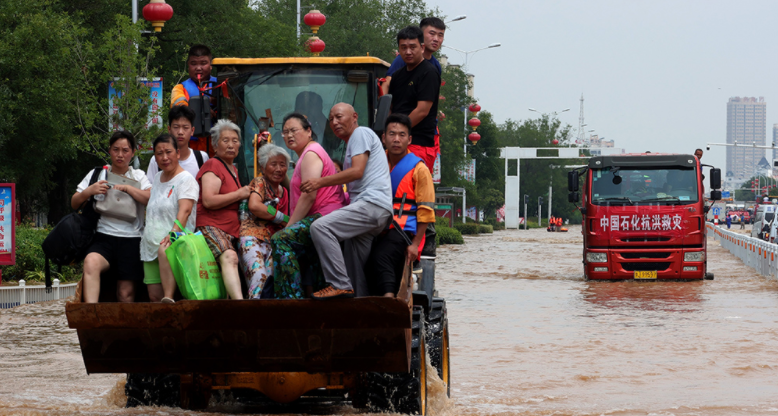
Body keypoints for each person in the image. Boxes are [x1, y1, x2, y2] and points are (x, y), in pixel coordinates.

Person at [300, 103, 393, 299]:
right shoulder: (352, 142)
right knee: (353, 265)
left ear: (354, 117)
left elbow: (356, 171)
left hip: (371, 205)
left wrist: (318, 182)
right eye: (331, 119)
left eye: (339, 117)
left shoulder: (360, 134)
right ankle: (359, 307)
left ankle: (338, 284)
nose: (334, 122)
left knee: (320, 228)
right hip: (376, 211)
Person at [270, 113, 347, 299]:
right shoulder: (306, 155)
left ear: (309, 131)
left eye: (294, 130)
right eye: (285, 132)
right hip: (318, 218)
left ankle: (290, 300)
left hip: (324, 215)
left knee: (281, 239)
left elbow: (309, 195)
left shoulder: (311, 154)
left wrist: (289, 227)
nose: (289, 135)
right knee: (315, 260)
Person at [71, 131, 152, 303]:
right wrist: (90, 191)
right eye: (116, 149)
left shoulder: (139, 176)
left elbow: (149, 199)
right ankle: (91, 316)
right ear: (109, 151)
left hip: (132, 239)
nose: (120, 155)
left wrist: (129, 189)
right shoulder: (98, 173)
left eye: (125, 150)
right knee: (91, 262)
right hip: (103, 237)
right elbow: (74, 202)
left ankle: (124, 328)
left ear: (133, 152)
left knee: (125, 294)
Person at [366, 114, 435, 297]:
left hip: (403, 230)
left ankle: (389, 300)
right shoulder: (374, 163)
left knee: (381, 257)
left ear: (409, 139)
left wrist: (415, 245)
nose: (396, 139)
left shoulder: (419, 169)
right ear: (383, 137)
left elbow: (426, 211)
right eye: (392, 134)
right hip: (375, 225)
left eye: (402, 135)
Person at [195, 119, 251, 300]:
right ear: (215, 145)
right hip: (212, 225)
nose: (231, 145)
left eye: (235, 141)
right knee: (229, 257)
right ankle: (240, 306)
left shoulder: (233, 169)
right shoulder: (213, 164)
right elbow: (209, 201)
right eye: (225, 140)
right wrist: (240, 194)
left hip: (231, 230)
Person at [140, 134, 199, 303]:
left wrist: (172, 234)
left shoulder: (186, 179)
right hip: (151, 246)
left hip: (174, 243)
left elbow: (185, 211)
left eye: (168, 152)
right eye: (159, 153)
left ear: (178, 153)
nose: (164, 157)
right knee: (154, 297)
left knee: (172, 299)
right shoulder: (157, 178)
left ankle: (169, 298)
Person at [239, 143, 290, 299]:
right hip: (252, 238)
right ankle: (254, 319)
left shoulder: (285, 191)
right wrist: (282, 218)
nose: (278, 169)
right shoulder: (260, 182)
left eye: (282, 165)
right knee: (259, 278)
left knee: (270, 283)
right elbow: (255, 205)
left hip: (271, 242)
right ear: (263, 167)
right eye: (273, 164)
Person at [388, 25, 441, 172]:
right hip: (397, 142)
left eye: (413, 47)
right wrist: (387, 133)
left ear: (422, 47)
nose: (408, 52)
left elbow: (422, 110)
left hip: (419, 144)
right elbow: (391, 107)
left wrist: (398, 132)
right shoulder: (397, 75)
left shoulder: (429, 73)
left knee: (411, 190)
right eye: (403, 47)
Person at [171, 44, 217, 153]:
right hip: (191, 146)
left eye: (203, 63)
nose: (198, 68)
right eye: (193, 64)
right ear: (188, 66)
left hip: (218, 144)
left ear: (211, 65)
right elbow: (179, 111)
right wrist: (204, 108)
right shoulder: (180, 88)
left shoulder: (221, 84)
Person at [382, 17, 445, 95]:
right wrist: (383, 106)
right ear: (421, 35)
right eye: (432, 34)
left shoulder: (436, 66)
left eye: (440, 35)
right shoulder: (405, 58)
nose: (436, 39)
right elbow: (387, 83)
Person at [147, 105, 209, 185]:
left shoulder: (201, 158)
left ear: (192, 130)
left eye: (185, 127)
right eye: (176, 127)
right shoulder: (157, 160)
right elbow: (150, 191)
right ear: (169, 129)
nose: (180, 132)